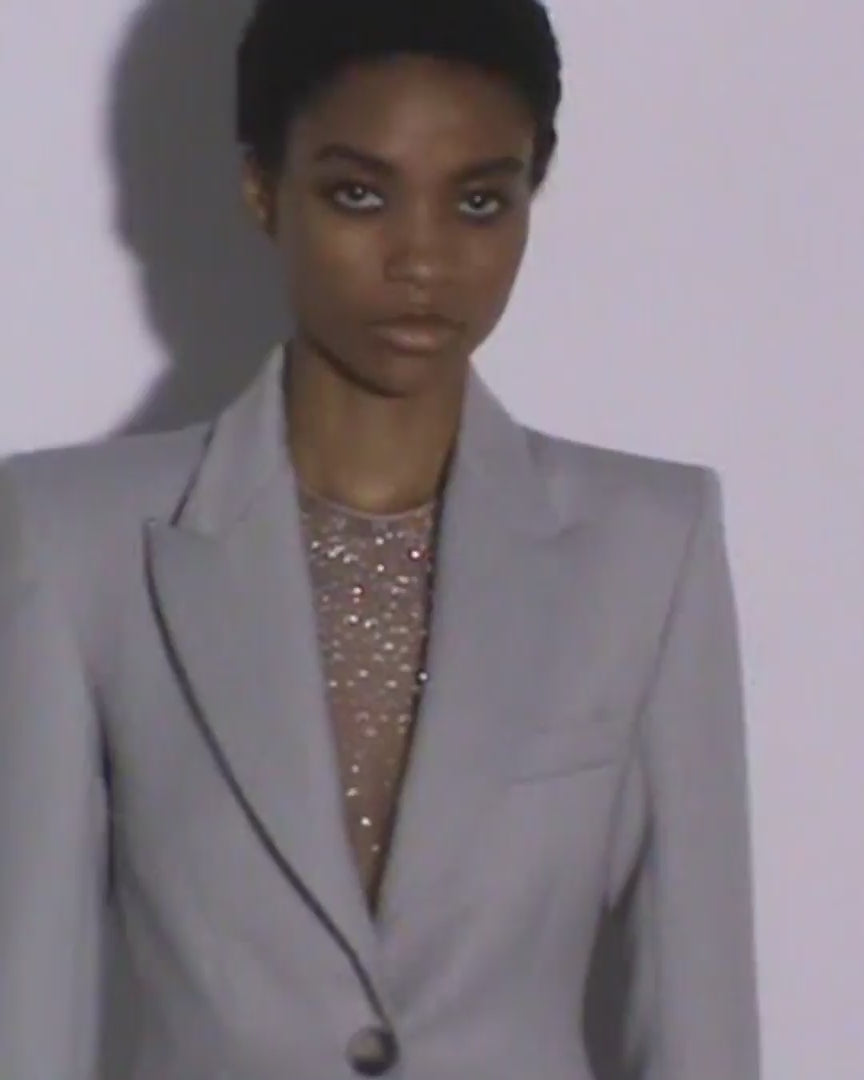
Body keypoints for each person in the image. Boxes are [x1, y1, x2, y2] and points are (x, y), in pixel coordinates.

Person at [0, 0, 762, 1077]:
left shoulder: (649, 546)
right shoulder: (78, 541)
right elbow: (28, 1016)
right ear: (262, 187)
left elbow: (700, 1022)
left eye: (479, 200)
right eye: (359, 193)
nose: (421, 258)